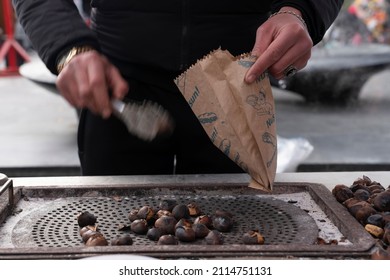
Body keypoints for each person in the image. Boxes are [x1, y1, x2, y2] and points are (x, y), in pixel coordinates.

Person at [12, 0, 343, 176]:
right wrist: (69, 46)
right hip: (120, 82)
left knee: (240, 243)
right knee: (113, 246)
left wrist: (301, 11)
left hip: (237, 81)